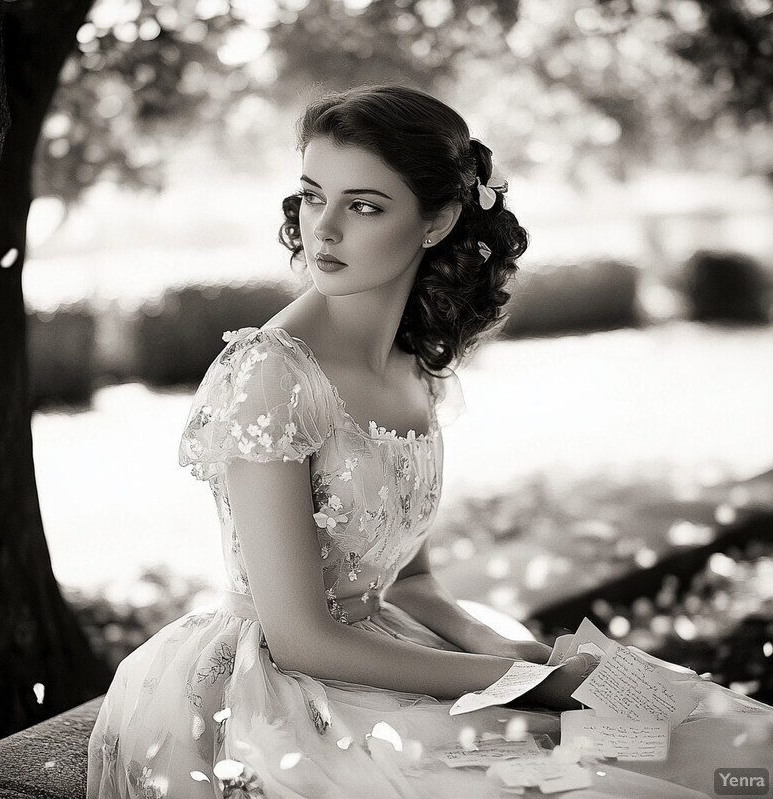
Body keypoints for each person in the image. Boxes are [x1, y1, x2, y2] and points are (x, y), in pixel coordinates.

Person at [87, 86, 771, 799]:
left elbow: (411, 581)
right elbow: (301, 639)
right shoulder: (271, 374)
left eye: (364, 205)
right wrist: (524, 683)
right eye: (313, 196)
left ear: (437, 221)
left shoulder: (413, 363)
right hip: (277, 693)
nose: (323, 230)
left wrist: (515, 650)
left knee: (708, 741)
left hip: (386, 649)